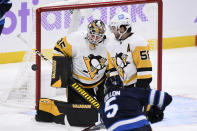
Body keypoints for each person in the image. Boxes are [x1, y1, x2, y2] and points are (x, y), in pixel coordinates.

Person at [35, 20, 111, 127]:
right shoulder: (75, 39)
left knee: (108, 108)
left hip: (100, 83)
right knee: (80, 112)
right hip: (76, 83)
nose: (94, 39)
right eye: (92, 35)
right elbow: (59, 47)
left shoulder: (111, 44)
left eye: (98, 37)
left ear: (103, 36)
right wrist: (62, 72)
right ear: (88, 32)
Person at [107, 12, 163, 123]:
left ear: (122, 28)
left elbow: (145, 73)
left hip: (137, 86)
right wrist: (114, 86)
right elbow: (112, 68)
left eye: (114, 28)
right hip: (122, 86)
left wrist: (137, 94)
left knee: (152, 116)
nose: (112, 31)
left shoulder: (138, 42)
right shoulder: (110, 44)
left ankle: (150, 105)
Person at [99, 76, 172, 131]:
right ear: (122, 85)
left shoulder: (102, 106)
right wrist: (157, 110)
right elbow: (167, 98)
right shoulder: (131, 91)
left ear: (106, 89)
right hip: (141, 126)